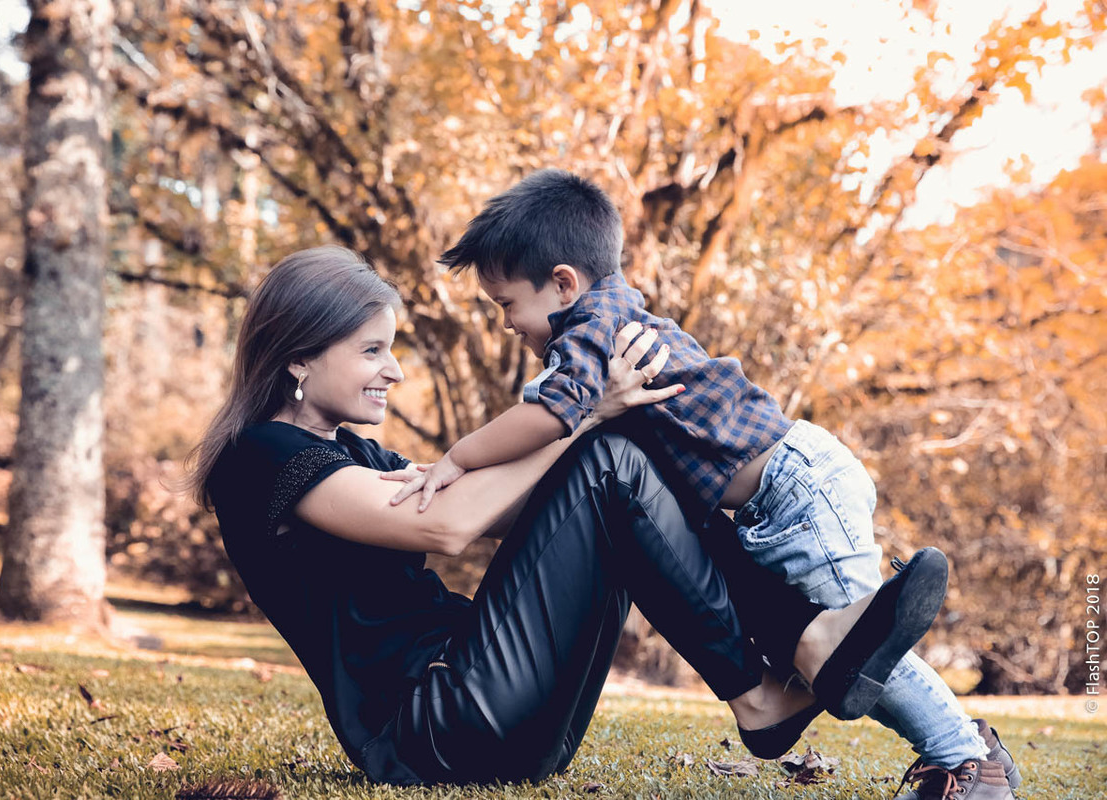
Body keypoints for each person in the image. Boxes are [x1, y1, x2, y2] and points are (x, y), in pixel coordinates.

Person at [187, 245, 954, 787]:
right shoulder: (261, 456)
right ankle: (762, 689)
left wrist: (602, 419)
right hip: (434, 725)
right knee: (609, 459)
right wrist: (584, 419)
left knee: (629, 463)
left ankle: (801, 642)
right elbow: (443, 529)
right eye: (370, 351)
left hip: (496, 709)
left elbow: (500, 514)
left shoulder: (359, 454)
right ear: (297, 357)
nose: (392, 370)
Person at [392, 169, 1021, 799]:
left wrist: (457, 458)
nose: (507, 324)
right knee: (838, 654)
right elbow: (564, 450)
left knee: (853, 653)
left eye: (506, 305)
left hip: (796, 488)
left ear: (562, 283)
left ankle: (964, 757)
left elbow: (550, 416)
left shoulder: (587, 328)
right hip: (777, 499)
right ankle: (963, 750)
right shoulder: (611, 318)